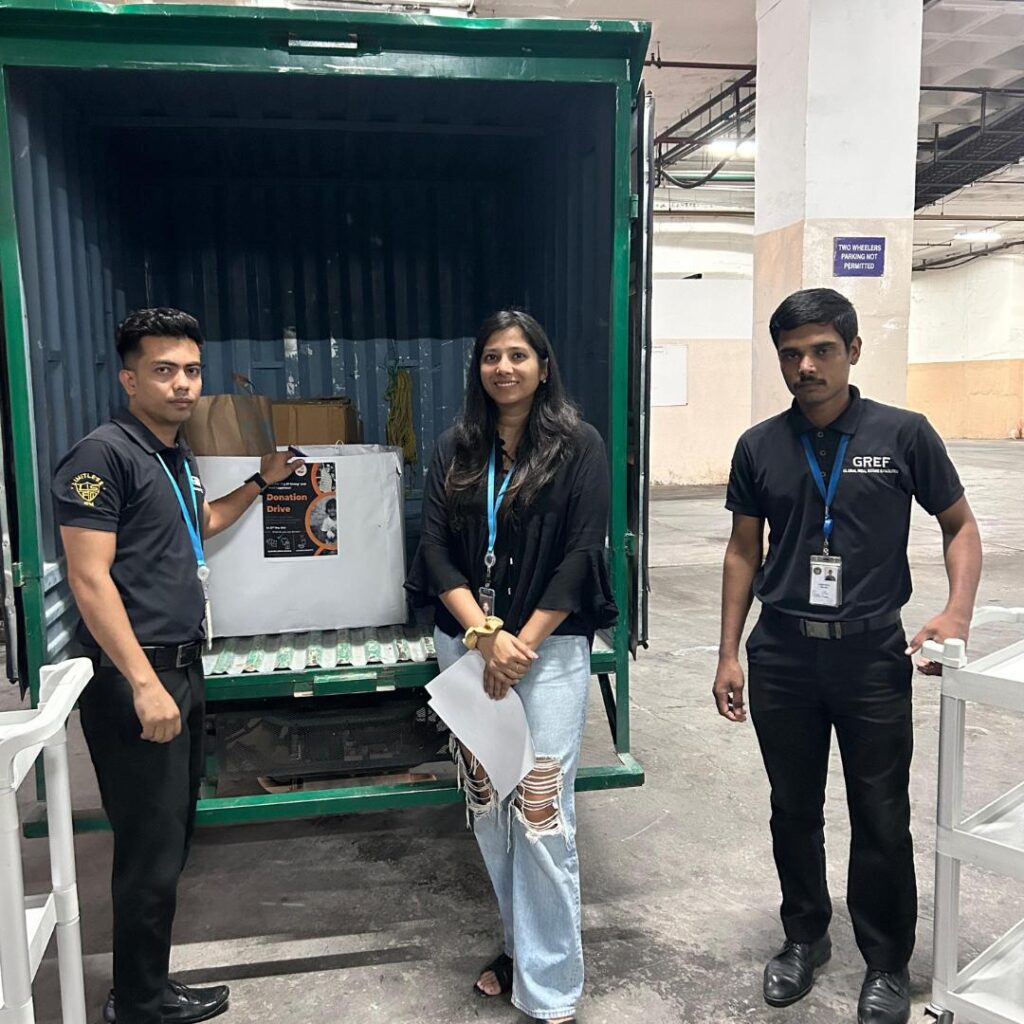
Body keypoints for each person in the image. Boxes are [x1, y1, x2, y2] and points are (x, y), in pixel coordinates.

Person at [713, 288, 982, 1024]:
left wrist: (957, 609)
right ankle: (805, 938)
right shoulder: (759, 445)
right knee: (792, 809)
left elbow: (959, 526)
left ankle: (887, 962)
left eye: (822, 350)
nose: (806, 366)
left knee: (881, 813)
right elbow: (743, 552)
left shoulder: (904, 434)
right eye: (792, 353)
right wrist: (728, 652)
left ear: (853, 351)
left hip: (870, 656)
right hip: (783, 656)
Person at [52, 308, 296, 1024]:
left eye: (191, 370)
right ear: (130, 378)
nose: (183, 384)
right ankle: (138, 1000)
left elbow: (203, 524)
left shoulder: (171, 456)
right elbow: (89, 579)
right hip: (141, 678)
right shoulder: (102, 455)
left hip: (181, 672)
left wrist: (261, 481)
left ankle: (144, 986)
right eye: (164, 370)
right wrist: (143, 683)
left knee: (170, 838)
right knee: (150, 850)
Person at [405, 309, 617, 1024]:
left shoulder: (579, 446)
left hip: (548, 649)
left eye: (518, 355)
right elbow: (433, 549)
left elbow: (582, 551)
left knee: (540, 813)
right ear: (479, 369)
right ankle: (521, 947)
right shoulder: (455, 448)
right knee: (489, 810)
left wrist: (517, 642)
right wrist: (485, 636)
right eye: (492, 356)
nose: (504, 367)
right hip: (469, 647)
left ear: (543, 366)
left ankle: (552, 991)